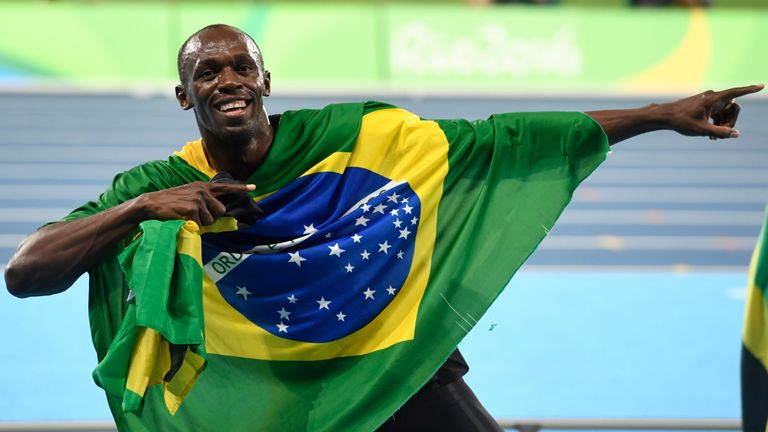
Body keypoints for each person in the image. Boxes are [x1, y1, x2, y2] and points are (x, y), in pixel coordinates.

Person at [4, 24, 762, 432]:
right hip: (276, 393)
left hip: (394, 370)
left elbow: (501, 140)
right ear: (182, 96)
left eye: (241, 66)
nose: (227, 80)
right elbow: (26, 270)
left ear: (266, 82)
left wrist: (659, 116)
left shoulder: (351, 136)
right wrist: (141, 211)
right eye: (208, 72)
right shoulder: (159, 185)